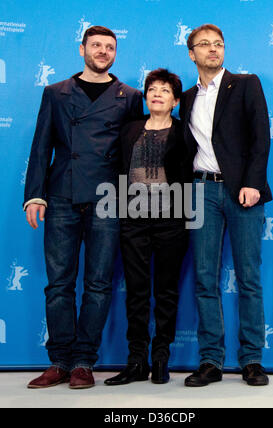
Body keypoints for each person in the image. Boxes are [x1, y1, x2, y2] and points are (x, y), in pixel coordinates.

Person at [24, 26, 143, 389]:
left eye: (110, 47)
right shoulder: (56, 93)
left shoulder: (130, 96)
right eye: (96, 46)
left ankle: (83, 362)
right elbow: (41, 145)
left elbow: (134, 154)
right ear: (82, 49)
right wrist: (34, 194)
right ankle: (59, 360)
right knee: (59, 284)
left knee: (98, 283)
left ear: (115, 53)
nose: (103, 51)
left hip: (108, 198)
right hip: (61, 195)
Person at [180, 24, 272, 387]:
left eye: (218, 44)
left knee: (249, 277)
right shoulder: (186, 98)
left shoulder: (246, 84)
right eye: (205, 45)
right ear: (192, 53)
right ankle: (210, 361)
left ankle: (251, 359)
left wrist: (252, 182)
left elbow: (261, 136)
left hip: (241, 192)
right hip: (201, 191)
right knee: (205, 278)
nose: (213, 50)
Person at [105, 69, 189, 385]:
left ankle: (160, 358)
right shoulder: (129, 129)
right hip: (133, 220)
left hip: (172, 219)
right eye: (152, 89)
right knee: (136, 293)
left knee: (166, 291)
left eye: (165, 90)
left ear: (176, 101)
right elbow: (116, 168)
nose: (157, 94)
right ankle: (136, 361)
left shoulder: (184, 132)